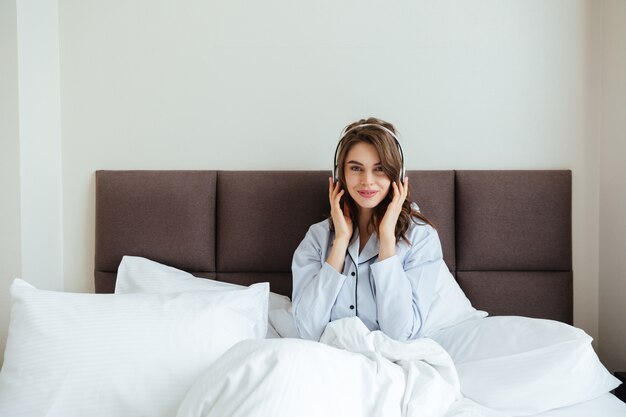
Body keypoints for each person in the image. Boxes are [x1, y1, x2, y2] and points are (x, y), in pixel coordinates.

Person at [291, 117, 443, 342]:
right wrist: (341, 241)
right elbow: (307, 331)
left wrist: (387, 241)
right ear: (340, 174)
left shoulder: (421, 238)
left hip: (388, 362)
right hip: (329, 361)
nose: (367, 181)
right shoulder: (318, 237)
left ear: (397, 176)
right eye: (356, 168)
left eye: (380, 169)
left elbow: (400, 334)